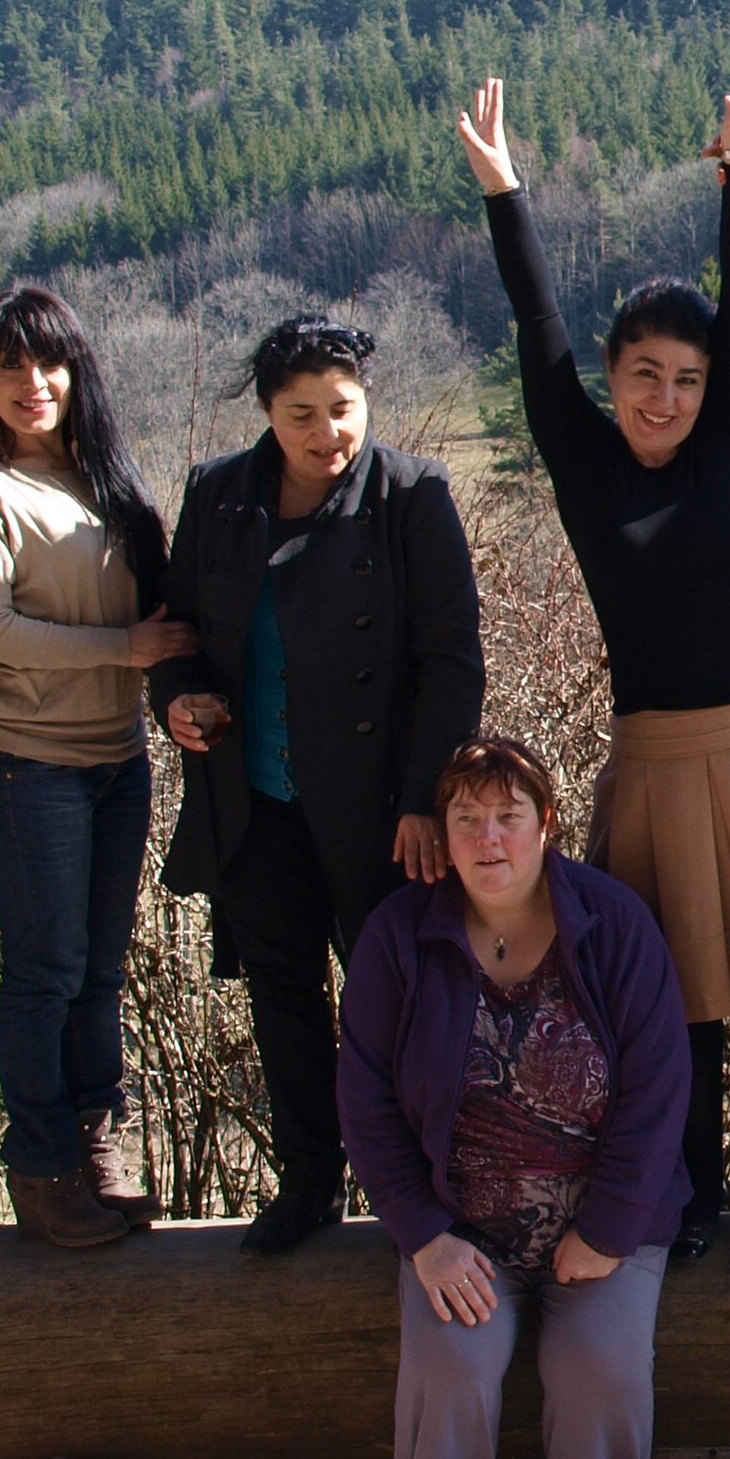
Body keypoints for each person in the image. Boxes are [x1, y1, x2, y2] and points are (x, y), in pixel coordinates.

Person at [454, 70, 730, 1268]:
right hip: (655, 754)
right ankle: (692, 1186)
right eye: (646, 373)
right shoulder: (584, 460)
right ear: (614, 378)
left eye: (689, 378)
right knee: (683, 982)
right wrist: (504, 191)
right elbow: (536, 323)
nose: (668, 395)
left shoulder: (727, 443)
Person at [339, 737, 691, 1459]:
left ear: (547, 826)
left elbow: (659, 1086)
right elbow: (364, 1100)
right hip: (461, 1232)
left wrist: (606, 1230)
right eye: (467, 819)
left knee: (599, 1362)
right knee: (451, 1365)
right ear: (443, 834)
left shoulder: (612, 923)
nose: (488, 838)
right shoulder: (398, 936)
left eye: (508, 817)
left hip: (603, 1226)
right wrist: (424, 1236)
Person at [148, 317, 485, 1255]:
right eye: (301, 414)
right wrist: (178, 700)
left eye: (342, 408)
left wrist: (424, 800)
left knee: (404, 1002)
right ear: (268, 413)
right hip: (255, 798)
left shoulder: (411, 494)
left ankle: (426, 1193)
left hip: (380, 809)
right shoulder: (218, 494)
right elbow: (179, 633)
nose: (327, 432)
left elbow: (452, 660)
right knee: (282, 997)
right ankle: (307, 1187)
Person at [0, 281, 197, 1251]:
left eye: (48, 362)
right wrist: (123, 651)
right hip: (29, 765)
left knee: (98, 972)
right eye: (7, 365)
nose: (32, 382)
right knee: (44, 972)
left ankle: (100, 1148)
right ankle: (42, 1170)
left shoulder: (108, 482)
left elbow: (165, 609)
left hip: (118, 760)